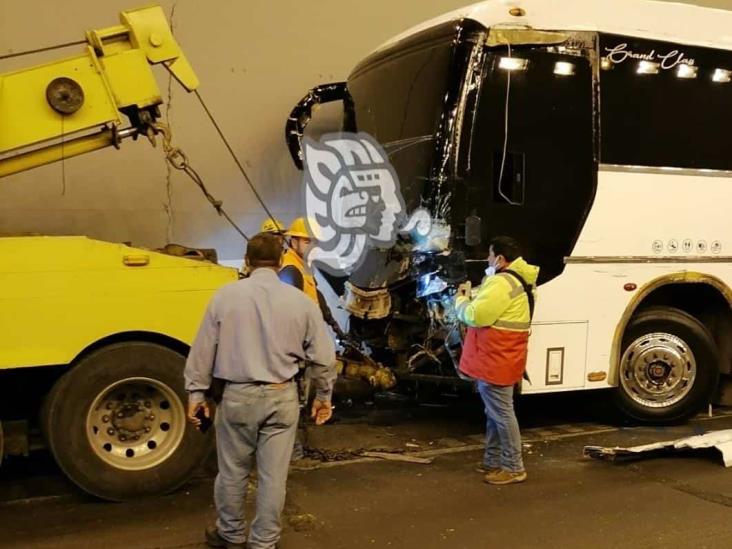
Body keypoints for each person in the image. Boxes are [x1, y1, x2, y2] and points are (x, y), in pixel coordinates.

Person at [184, 232, 337, 549]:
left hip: (238, 397)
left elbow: (202, 352)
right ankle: (264, 542)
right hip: (282, 397)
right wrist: (323, 397)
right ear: (280, 261)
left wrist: (196, 395)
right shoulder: (300, 302)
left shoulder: (224, 298)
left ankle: (230, 534)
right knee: (273, 477)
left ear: (247, 261)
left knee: (232, 472)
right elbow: (323, 359)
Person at [455, 236, 538, 486]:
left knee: (501, 414)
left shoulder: (501, 282)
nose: (488, 260)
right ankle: (493, 460)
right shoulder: (517, 280)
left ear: (500, 258)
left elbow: (476, 315)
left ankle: (513, 467)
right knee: (495, 412)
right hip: (503, 356)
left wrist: (461, 300)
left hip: (495, 357)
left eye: (490, 255)